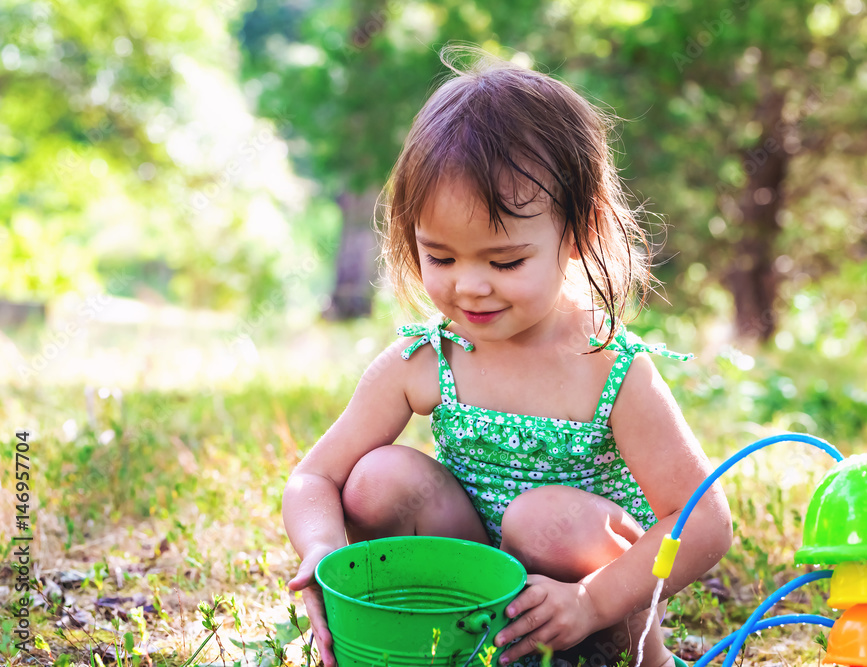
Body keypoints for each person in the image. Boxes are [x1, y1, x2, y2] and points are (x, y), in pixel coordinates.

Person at [283, 45, 732, 667]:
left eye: (505, 261)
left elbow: (703, 523)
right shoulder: (426, 359)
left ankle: (632, 659)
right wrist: (323, 547)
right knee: (379, 476)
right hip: (477, 596)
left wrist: (595, 603)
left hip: (590, 603)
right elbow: (314, 478)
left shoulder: (609, 367)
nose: (469, 286)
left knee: (540, 517)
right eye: (441, 257)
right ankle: (467, 648)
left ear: (576, 233)